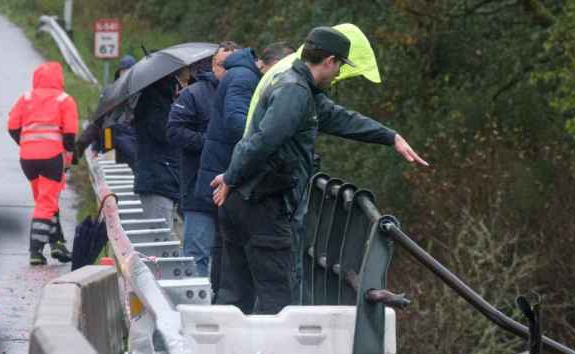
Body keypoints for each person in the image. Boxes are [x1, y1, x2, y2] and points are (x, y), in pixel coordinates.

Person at [211, 26, 427, 314]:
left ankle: (221, 342)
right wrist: (231, 177)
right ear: (329, 61)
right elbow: (263, 140)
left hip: (250, 199)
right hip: (263, 205)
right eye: (339, 66)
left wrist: (390, 137)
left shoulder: (303, 91)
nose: (338, 73)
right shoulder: (294, 92)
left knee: (236, 294)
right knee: (278, 300)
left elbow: (341, 119)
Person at [167, 42, 236, 278]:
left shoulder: (248, 94)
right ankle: (198, 300)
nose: (226, 70)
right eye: (221, 64)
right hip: (199, 189)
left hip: (235, 191)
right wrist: (210, 143)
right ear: (212, 66)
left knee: (231, 259)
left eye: (232, 65)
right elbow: (174, 132)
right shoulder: (193, 94)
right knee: (197, 256)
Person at [7, 61, 79, 265]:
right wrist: (69, 156)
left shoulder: (26, 98)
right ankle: (35, 251)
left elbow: (12, 126)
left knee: (45, 201)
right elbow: (70, 134)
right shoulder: (64, 100)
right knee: (46, 203)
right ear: (59, 79)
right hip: (51, 158)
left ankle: (57, 244)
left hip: (28, 159)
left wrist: (26, 143)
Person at [133, 68, 188, 228]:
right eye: (184, 80)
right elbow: (165, 133)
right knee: (160, 236)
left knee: (163, 233)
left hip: (162, 176)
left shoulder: (162, 98)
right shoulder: (154, 101)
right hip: (157, 178)